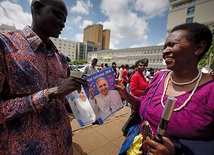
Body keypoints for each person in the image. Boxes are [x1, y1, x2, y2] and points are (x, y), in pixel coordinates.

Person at [0, 0, 88, 154]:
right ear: (38, 8)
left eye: (65, 20)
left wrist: (86, 110)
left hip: (64, 146)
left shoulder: (61, 58)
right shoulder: (5, 45)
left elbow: (63, 101)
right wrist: (49, 93)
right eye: (58, 16)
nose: (63, 24)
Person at [115, 22, 214, 155]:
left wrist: (176, 152)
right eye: (165, 47)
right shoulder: (159, 77)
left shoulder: (210, 90)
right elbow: (143, 105)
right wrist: (126, 95)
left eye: (173, 44)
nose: (165, 51)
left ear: (199, 48)